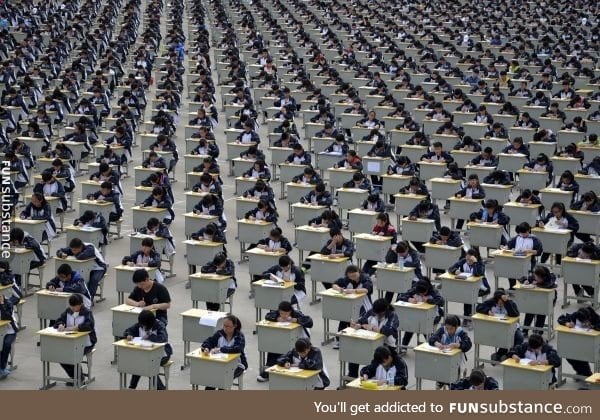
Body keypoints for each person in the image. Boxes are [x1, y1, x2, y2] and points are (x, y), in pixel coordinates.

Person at [257, 301, 313, 382]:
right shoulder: (277, 313)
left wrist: (296, 320)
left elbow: (310, 322)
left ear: (290, 311)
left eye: (286, 314)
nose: (283, 316)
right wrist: (276, 319)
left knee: (284, 349)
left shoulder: (296, 313)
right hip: (282, 337)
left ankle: (275, 370)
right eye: (281, 313)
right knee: (274, 347)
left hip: (298, 339)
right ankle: (269, 368)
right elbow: (268, 316)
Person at [54, 294, 97, 386]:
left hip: (86, 343)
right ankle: (74, 376)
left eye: (75, 307)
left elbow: (89, 326)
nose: (72, 309)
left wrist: (75, 328)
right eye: (71, 306)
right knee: (60, 356)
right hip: (69, 341)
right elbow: (59, 320)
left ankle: (80, 378)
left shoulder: (87, 313)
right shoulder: (68, 311)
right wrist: (60, 324)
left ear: (81, 304)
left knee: (72, 354)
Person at [124, 310, 172, 390]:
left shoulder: (159, 325)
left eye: (145, 326)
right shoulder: (140, 324)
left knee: (147, 365)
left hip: (163, 354)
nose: (143, 328)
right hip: (145, 355)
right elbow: (128, 331)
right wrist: (129, 335)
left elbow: (163, 338)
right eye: (142, 325)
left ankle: (160, 388)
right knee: (140, 363)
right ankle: (132, 387)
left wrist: (150, 337)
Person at [332, 265, 373, 353]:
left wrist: (353, 291)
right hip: (351, 304)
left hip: (364, 304)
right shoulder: (347, 279)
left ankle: (360, 342)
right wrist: (339, 289)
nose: (353, 278)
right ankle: (339, 340)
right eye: (350, 276)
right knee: (344, 318)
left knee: (361, 321)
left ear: (358, 272)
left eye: (354, 275)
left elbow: (367, 290)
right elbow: (334, 284)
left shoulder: (365, 278)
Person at [476, 289, 524, 362]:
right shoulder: (491, 302)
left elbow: (515, 314)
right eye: (499, 303)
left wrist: (507, 302)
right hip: (496, 327)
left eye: (502, 303)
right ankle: (501, 355)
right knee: (500, 338)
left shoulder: (510, 303)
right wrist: (487, 311)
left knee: (519, 337)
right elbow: (478, 308)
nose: (500, 304)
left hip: (511, 328)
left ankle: (507, 354)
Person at [397, 279, 444, 354]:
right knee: (411, 325)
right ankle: (404, 347)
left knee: (423, 326)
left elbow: (441, 301)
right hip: (416, 315)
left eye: (423, 293)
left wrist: (429, 300)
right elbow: (400, 296)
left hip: (433, 316)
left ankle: (432, 344)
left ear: (428, 289)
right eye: (420, 293)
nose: (422, 295)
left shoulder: (433, 292)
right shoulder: (415, 289)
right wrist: (408, 299)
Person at [201, 314, 248, 389]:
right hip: (221, 364)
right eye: (224, 326)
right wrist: (206, 348)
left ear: (234, 326)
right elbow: (209, 341)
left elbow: (237, 349)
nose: (225, 328)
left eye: (228, 326)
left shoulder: (239, 336)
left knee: (223, 380)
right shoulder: (220, 333)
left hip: (237, 365)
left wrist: (221, 349)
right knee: (211, 380)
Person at [448, 248, 491, 326]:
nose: (468, 262)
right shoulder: (464, 261)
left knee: (469, 294)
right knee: (468, 293)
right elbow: (450, 268)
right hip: (468, 286)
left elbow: (477, 274)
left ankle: (468, 316)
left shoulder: (480, 264)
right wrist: (455, 271)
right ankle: (466, 316)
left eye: (470, 260)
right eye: (467, 259)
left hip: (481, 287)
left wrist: (475, 263)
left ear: (474, 258)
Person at [429, 315, 472, 388]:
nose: (449, 331)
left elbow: (468, 344)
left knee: (454, 381)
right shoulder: (442, 330)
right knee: (439, 369)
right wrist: (436, 343)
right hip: (443, 359)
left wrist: (458, 345)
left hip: (458, 360)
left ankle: (453, 384)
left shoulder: (461, 333)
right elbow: (432, 338)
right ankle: (441, 381)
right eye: (447, 328)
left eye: (451, 329)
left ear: (456, 327)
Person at [557, 307, 600, 377]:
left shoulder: (594, 317)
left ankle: (587, 374)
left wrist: (592, 326)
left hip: (592, 344)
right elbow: (560, 319)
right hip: (578, 343)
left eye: (586, 321)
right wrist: (566, 323)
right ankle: (584, 373)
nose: (584, 323)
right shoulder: (575, 315)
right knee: (569, 355)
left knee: (584, 355)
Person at [502, 222, 544, 289]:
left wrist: (530, 251)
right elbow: (509, 244)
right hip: (515, 260)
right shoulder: (518, 237)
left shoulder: (534, 239)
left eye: (524, 233)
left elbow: (539, 251)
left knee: (527, 277)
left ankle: (524, 288)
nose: (523, 235)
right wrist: (506, 247)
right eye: (521, 233)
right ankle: (512, 287)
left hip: (529, 262)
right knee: (510, 272)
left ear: (528, 230)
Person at [519, 266, 557, 335]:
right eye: (535, 276)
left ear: (543, 277)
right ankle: (525, 330)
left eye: (538, 278)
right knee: (530, 311)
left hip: (547, 302)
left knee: (541, 312)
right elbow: (522, 278)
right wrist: (525, 281)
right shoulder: (535, 276)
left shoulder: (550, 279)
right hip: (535, 300)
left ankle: (539, 330)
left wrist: (537, 284)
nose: (535, 278)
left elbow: (549, 285)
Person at [0, 263, 22, 379]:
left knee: (5, 344)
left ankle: (2, 367)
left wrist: (2, 304)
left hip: (10, 330)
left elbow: (7, 317)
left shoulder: (8, 303)